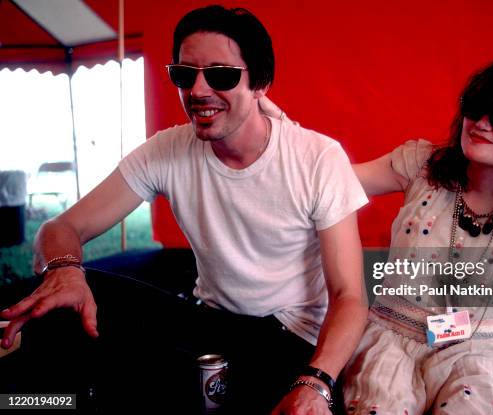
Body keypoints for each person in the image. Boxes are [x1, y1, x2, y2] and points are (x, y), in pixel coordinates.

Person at [0, 5, 368, 414]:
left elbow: (349, 297)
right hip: (208, 324)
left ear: (260, 83)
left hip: (289, 339)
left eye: (221, 75)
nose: (198, 90)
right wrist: (65, 270)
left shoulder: (317, 158)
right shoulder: (167, 149)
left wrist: (315, 382)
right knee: (60, 300)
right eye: (184, 74)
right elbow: (61, 226)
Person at [339, 60, 493, 415]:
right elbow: (329, 181)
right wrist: (278, 137)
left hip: (479, 349)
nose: (482, 123)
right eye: (475, 107)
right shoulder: (420, 165)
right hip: (390, 340)